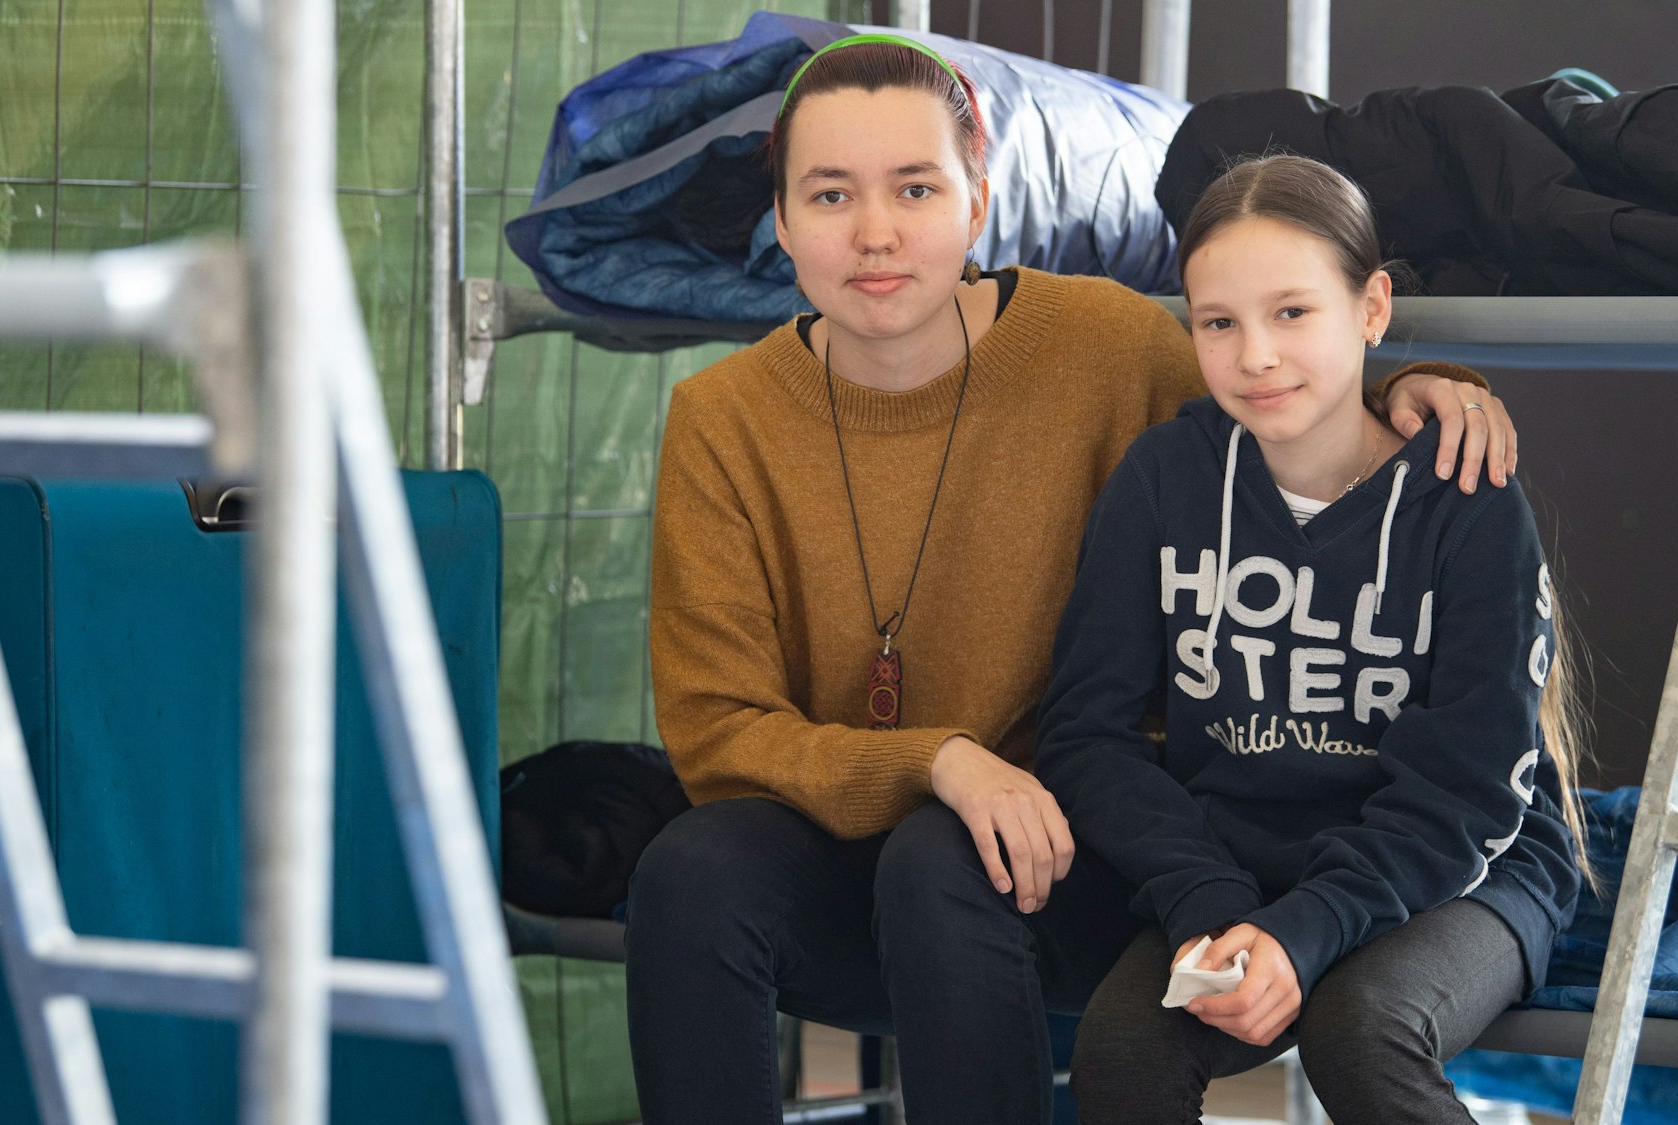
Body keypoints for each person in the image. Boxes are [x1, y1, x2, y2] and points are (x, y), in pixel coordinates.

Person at [627, 36, 1517, 1125]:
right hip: (857, 834)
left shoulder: (1101, 341)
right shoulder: (722, 419)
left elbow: (1280, 374)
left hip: (1058, 857)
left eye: (915, 188)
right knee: (690, 871)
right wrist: (938, 759)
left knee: (940, 854)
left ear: (976, 201)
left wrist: (1430, 388)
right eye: (827, 194)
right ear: (778, 219)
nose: (873, 232)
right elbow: (717, 732)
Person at [1034, 153, 1589, 1123]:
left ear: (1370, 308)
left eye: (1291, 312)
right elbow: (1086, 734)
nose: (1254, 354)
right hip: (1236, 865)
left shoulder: (1462, 498)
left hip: (1459, 868)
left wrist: (1306, 930)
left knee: (1356, 1026)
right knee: (1122, 1054)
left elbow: (1467, 792)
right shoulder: (1164, 475)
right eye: (1218, 322)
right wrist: (1208, 901)